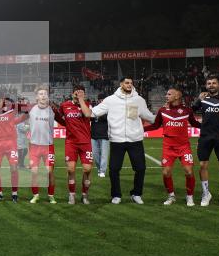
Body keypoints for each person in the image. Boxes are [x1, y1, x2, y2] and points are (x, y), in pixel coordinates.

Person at [88, 76, 156, 204]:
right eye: (126, 82)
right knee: (114, 169)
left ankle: (136, 194)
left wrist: (162, 114)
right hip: (117, 140)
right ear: (121, 84)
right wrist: (81, 102)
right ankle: (116, 195)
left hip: (135, 140)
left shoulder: (139, 100)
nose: (129, 84)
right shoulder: (110, 100)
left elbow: (148, 116)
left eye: (131, 83)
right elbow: (92, 113)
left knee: (140, 168)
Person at [143, 87, 201, 206]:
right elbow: (155, 126)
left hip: (184, 146)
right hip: (168, 146)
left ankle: (189, 196)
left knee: (189, 172)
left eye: (169, 94)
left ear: (177, 96)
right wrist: (141, 129)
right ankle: (171, 196)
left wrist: (207, 127)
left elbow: (194, 123)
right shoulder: (162, 110)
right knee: (166, 172)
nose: (166, 96)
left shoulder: (187, 111)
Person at [193, 74, 219, 207]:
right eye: (209, 83)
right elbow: (190, 111)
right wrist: (198, 99)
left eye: (214, 83)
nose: (211, 85)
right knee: (203, 165)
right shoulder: (203, 99)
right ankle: (206, 193)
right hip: (205, 137)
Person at [53, 85, 94, 205]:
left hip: (85, 142)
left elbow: (88, 115)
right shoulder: (65, 105)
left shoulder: (87, 104)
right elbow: (59, 117)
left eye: (81, 93)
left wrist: (81, 100)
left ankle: (85, 195)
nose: (78, 94)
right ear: (72, 93)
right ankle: (72, 195)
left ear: (84, 94)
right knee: (70, 170)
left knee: (87, 169)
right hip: (71, 143)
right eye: (76, 92)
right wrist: (66, 124)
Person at [0, 93, 27, 202]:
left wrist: (16, 121)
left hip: (11, 143)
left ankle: (14, 194)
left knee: (14, 168)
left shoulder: (12, 109)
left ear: (3, 100)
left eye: (0, 100)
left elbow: (27, 112)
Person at [28, 86, 56, 204]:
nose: (43, 95)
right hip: (34, 146)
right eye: (41, 94)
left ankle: (51, 195)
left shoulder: (52, 110)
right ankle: (36, 195)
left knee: (49, 171)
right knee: (34, 172)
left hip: (48, 146)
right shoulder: (30, 109)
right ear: (36, 97)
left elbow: (63, 119)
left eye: (45, 94)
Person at [90, 95, 110, 178]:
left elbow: (108, 119)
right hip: (94, 135)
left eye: (103, 100)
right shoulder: (94, 109)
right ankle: (99, 168)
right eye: (100, 100)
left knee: (104, 154)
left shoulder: (109, 110)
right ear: (98, 100)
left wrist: (97, 113)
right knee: (95, 154)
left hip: (105, 135)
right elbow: (89, 118)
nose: (101, 101)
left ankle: (102, 171)